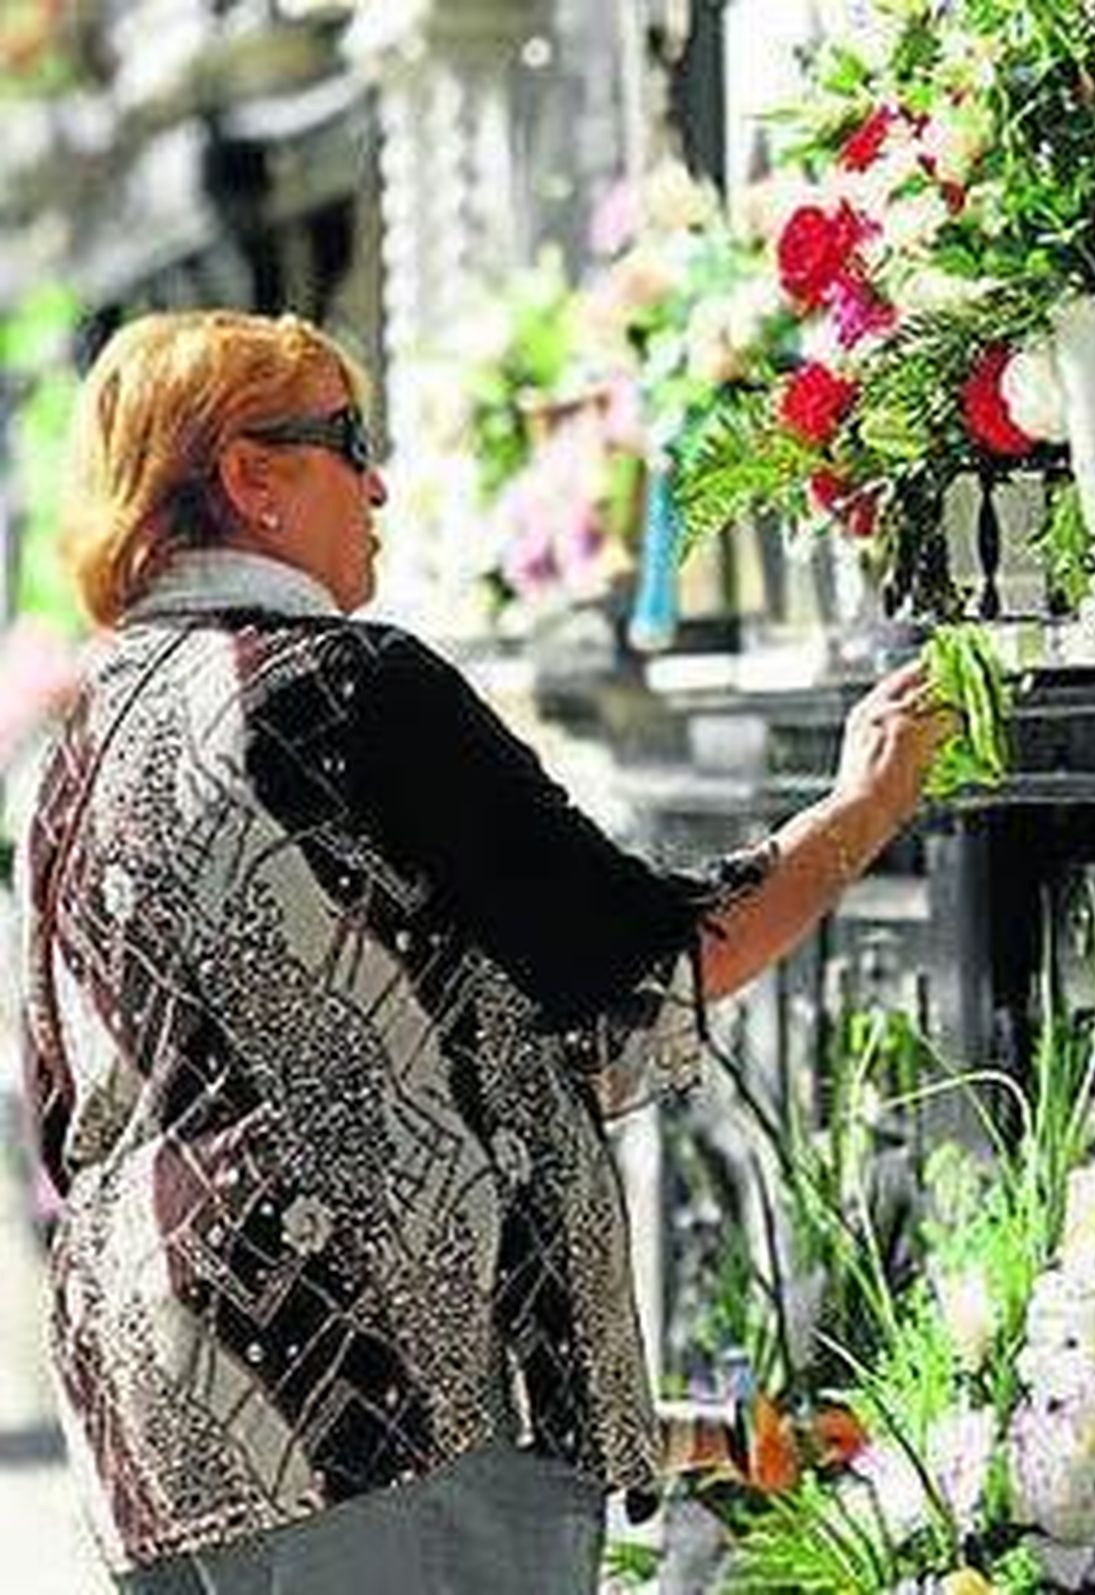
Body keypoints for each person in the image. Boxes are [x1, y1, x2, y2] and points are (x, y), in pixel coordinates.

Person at [19, 309, 950, 1593]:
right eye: (351, 440)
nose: (383, 481)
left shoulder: (87, 744)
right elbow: (636, 955)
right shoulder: (340, 686)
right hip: (386, 1411)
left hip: (166, 1426)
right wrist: (859, 811)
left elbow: (71, 1114)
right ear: (252, 477)